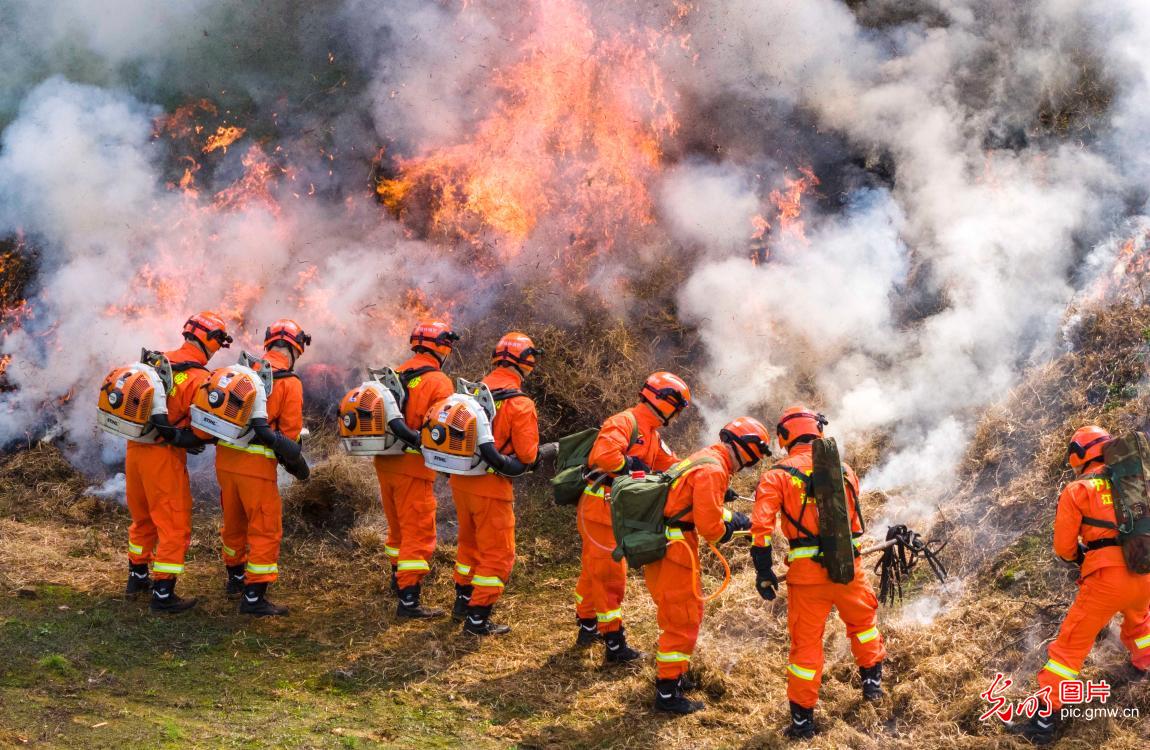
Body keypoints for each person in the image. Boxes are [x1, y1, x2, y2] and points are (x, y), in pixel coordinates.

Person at [750, 406, 885, 738]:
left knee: (806, 648)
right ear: (818, 431)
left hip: (807, 579)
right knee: (864, 627)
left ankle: (803, 722)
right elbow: (853, 522)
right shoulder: (845, 470)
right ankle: (872, 686)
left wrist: (763, 570)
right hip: (849, 569)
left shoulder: (776, 476)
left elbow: (761, 528)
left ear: (785, 437)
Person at [1011, 426, 1150, 745]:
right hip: (1144, 571)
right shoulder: (1136, 480)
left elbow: (1063, 547)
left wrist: (1080, 556)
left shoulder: (1078, 489)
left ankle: (1043, 721)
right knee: (1141, 625)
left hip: (1105, 579)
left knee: (1069, 648)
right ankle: (1144, 671)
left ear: (1079, 454)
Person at [644, 417, 766, 714]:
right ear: (748, 451)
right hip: (676, 550)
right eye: (753, 460)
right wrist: (734, 526)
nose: (749, 466)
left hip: (669, 544)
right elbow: (711, 528)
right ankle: (667, 694)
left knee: (679, 613)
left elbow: (694, 501)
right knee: (682, 617)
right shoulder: (714, 470)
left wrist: (728, 510)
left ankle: (675, 675)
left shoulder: (706, 457)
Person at [575, 371, 690, 662]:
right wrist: (631, 465)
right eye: (677, 409)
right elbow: (604, 456)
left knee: (594, 571)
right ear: (665, 402)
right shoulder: (624, 422)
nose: (677, 416)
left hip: (613, 512)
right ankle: (614, 643)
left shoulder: (650, 433)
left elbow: (671, 465)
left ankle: (587, 624)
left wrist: (698, 476)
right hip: (600, 510)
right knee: (610, 577)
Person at [125, 311, 230, 614]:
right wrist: (197, 438)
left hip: (135, 449)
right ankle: (163, 594)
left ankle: (137, 578)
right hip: (163, 456)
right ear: (211, 341)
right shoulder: (199, 378)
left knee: (143, 518)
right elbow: (202, 427)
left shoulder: (158, 362)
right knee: (173, 523)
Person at [450, 333, 542, 636]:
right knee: (499, 554)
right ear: (526, 362)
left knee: (469, 544)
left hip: (461, 480)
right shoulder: (520, 403)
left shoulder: (471, 393)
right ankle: (477, 619)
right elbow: (527, 455)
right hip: (491, 486)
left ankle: (463, 602)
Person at [217, 319, 309, 616]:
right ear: (295, 350)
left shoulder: (241, 370)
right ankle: (254, 596)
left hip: (225, 461)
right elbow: (290, 435)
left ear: (268, 343)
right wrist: (298, 466)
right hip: (255, 467)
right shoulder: (289, 382)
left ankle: (235, 579)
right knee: (265, 528)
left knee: (233, 523)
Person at [374, 320, 458, 618]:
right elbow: (441, 429)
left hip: (386, 462)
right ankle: (409, 600)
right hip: (413, 466)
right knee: (418, 532)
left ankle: (397, 581)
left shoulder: (397, 373)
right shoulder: (438, 382)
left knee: (397, 527)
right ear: (442, 348)